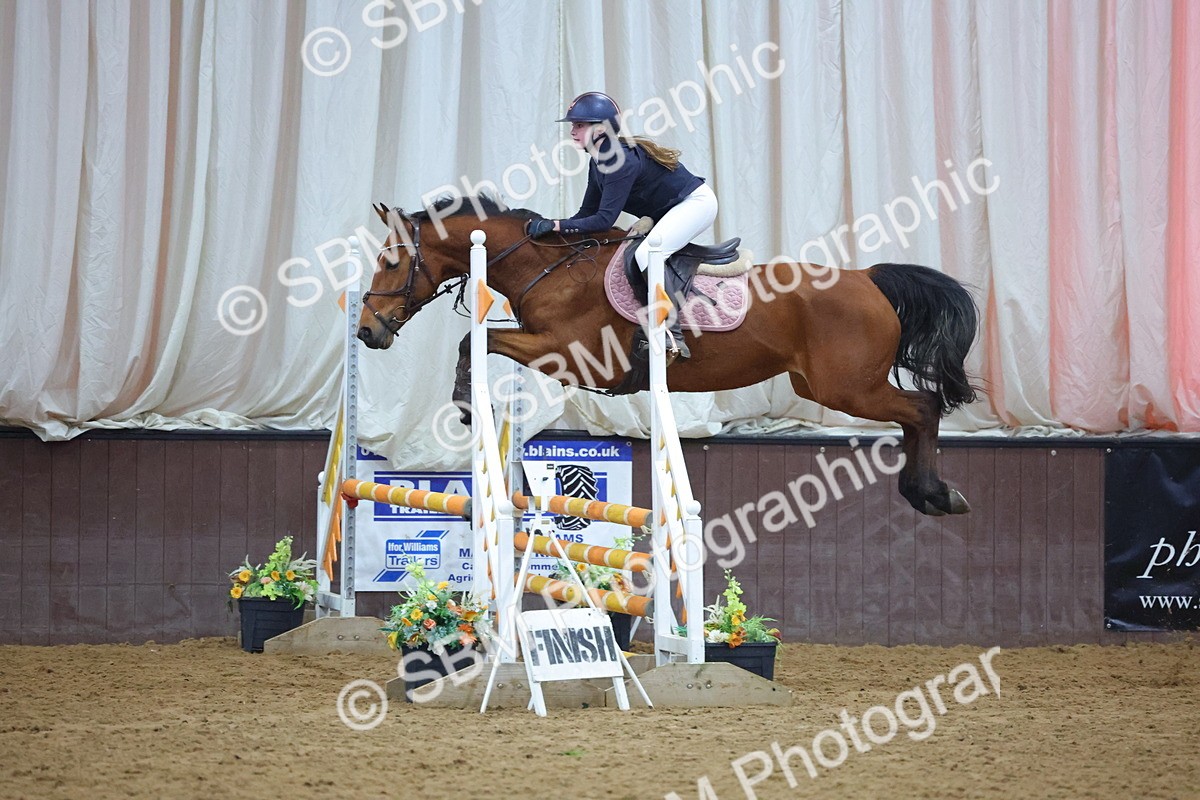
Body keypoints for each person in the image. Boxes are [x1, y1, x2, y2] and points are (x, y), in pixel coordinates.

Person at [525, 92, 718, 360]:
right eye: (573, 125)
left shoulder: (620, 160)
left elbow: (604, 221)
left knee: (646, 254)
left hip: (695, 204)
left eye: (579, 125)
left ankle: (671, 332)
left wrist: (556, 225)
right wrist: (554, 231)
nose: (572, 131)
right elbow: (586, 213)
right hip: (669, 209)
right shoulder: (599, 160)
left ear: (601, 129)